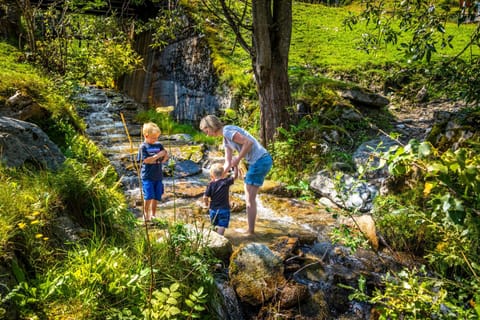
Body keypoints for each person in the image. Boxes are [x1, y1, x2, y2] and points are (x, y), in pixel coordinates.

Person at [199, 115, 273, 235]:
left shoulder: (227, 131)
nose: (207, 135)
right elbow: (228, 162)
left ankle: (250, 231)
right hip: (261, 161)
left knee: (249, 198)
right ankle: (251, 229)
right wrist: (217, 178)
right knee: (250, 197)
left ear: (211, 126)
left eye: (206, 131)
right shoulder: (225, 139)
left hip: (260, 161)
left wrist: (238, 158)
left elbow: (248, 143)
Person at [137, 122, 169, 223]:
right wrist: (158, 156)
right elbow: (146, 160)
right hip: (148, 176)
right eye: (153, 138)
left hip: (158, 176)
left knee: (156, 196)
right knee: (148, 196)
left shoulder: (159, 145)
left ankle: (153, 215)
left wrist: (161, 158)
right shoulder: (143, 147)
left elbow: (165, 157)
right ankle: (145, 214)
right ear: (146, 136)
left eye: (157, 137)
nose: (155, 140)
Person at [203, 162, 238, 235]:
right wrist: (236, 166)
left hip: (213, 209)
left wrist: (206, 204)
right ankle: (219, 238)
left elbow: (205, 197)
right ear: (223, 174)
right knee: (222, 226)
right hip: (224, 209)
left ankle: (213, 238)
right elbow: (235, 176)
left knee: (213, 225)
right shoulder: (226, 182)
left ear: (212, 174)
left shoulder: (210, 184)